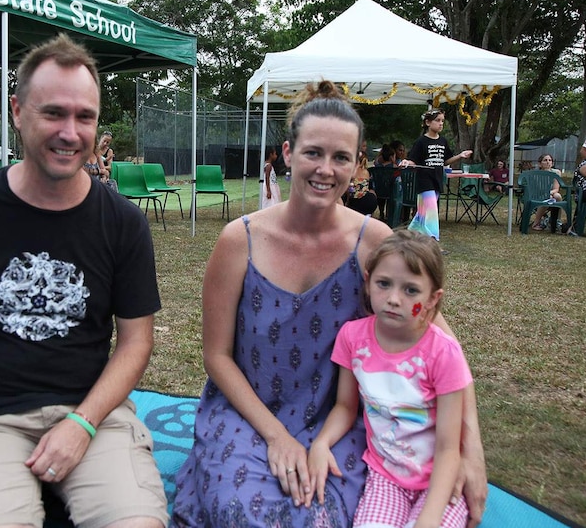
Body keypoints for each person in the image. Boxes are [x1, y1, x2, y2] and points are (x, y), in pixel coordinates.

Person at [170, 81, 487, 528]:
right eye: (313, 153)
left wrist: (470, 451)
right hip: (248, 412)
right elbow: (217, 356)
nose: (325, 169)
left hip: (339, 419)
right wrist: (277, 437)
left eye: (341, 158)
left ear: (359, 164)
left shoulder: (374, 243)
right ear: (287, 152)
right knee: (242, 512)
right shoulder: (239, 240)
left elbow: (443, 343)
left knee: (329, 517)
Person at [0, 33, 168, 528]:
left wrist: (82, 423)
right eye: (53, 113)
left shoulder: (123, 222)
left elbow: (135, 343)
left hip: (93, 413)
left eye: (85, 117)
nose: (70, 132)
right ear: (17, 111)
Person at [314, 229, 472, 528]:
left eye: (411, 290)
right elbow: (345, 407)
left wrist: (429, 516)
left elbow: (450, 448)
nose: (394, 299)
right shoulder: (352, 338)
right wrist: (322, 444)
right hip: (385, 478)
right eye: (383, 284)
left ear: (432, 298)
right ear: (368, 280)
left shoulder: (444, 353)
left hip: (439, 484)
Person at [400, 109, 472, 241]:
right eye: (437, 120)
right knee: (432, 211)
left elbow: (446, 161)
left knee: (422, 214)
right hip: (424, 182)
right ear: (428, 122)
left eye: (442, 121)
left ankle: (410, 235)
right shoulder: (421, 141)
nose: (441, 124)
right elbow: (413, 160)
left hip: (437, 181)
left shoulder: (443, 141)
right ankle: (433, 240)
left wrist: (460, 156)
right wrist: (406, 162)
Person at [531, 154, 567, 232]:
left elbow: (556, 188)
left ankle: (556, 221)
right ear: (540, 163)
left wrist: (549, 193)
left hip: (551, 195)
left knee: (557, 196)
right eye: (545, 160)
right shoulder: (535, 174)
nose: (548, 162)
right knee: (549, 198)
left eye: (550, 160)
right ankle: (536, 222)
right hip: (537, 195)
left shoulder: (556, 172)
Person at [345, 149, 377, 215]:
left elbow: (348, 192)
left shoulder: (350, 171)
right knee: (372, 192)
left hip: (354, 203)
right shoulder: (366, 172)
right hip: (368, 201)